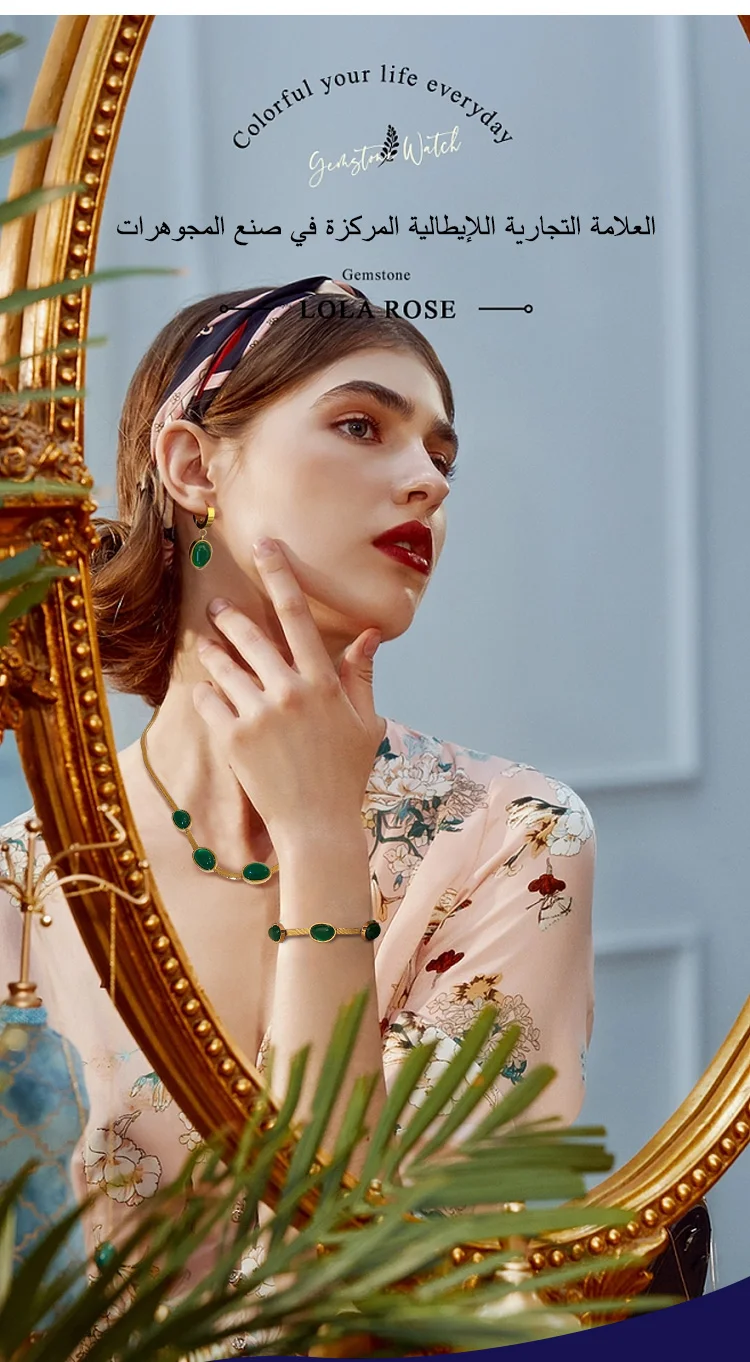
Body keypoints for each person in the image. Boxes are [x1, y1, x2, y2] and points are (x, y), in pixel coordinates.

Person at [0, 276, 596, 1343]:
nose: (427, 481)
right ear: (193, 467)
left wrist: (322, 839)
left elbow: (388, 1290)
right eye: (362, 426)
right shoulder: (24, 881)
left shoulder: (515, 838)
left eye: (443, 457)